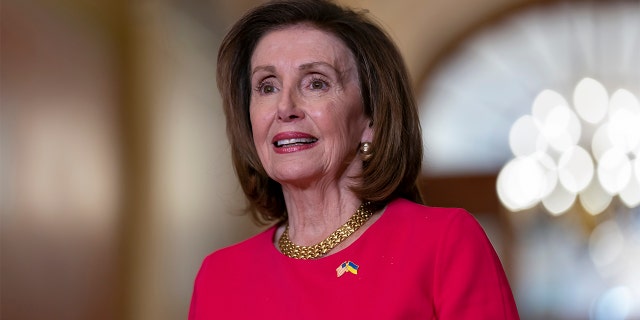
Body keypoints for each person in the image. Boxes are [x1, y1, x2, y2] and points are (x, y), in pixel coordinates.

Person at [189, 0, 519, 318]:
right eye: (267, 86)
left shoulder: (445, 244)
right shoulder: (219, 276)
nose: (285, 108)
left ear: (370, 121)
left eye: (316, 83)